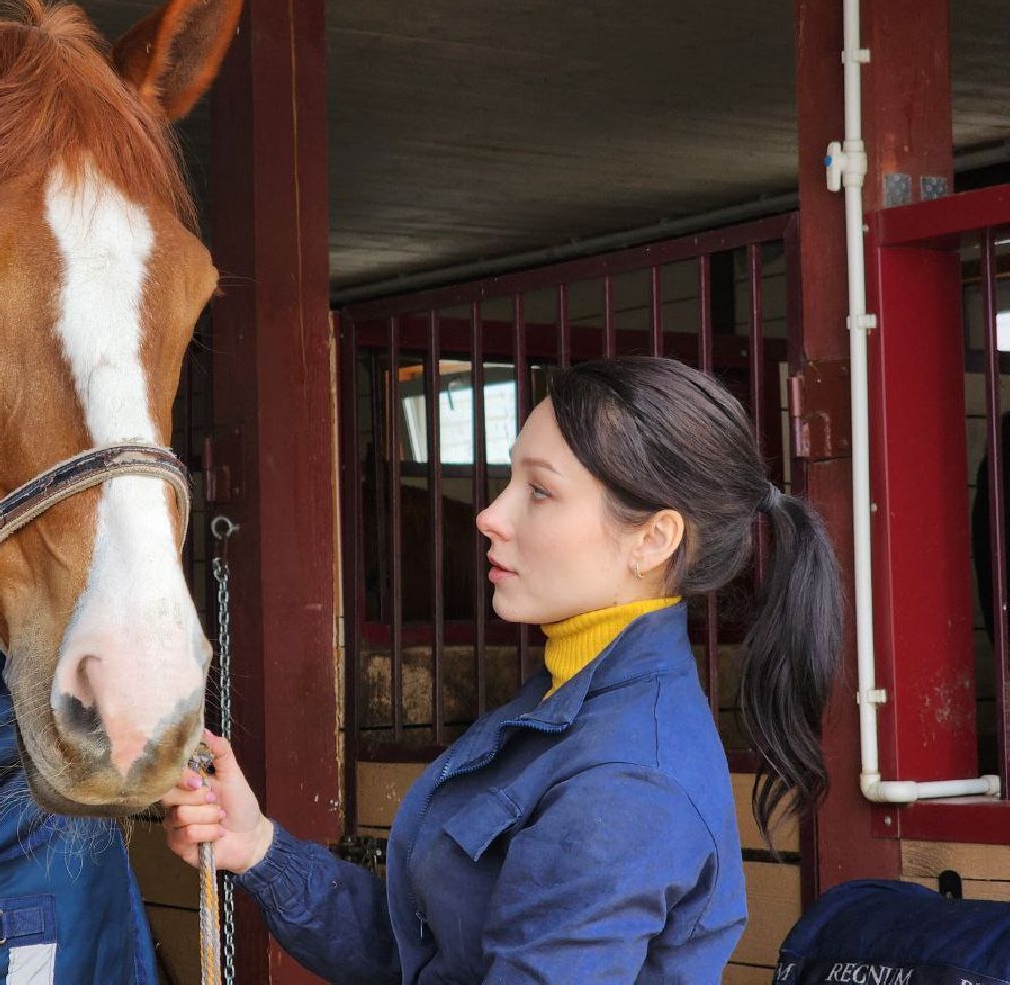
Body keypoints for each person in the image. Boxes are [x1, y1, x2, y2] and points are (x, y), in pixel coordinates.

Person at [161, 356, 842, 983]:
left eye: (539, 491)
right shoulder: (566, 699)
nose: (488, 515)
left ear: (653, 539)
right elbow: (422, 955)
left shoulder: (627, 783)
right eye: (509, 478)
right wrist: (257, 847)